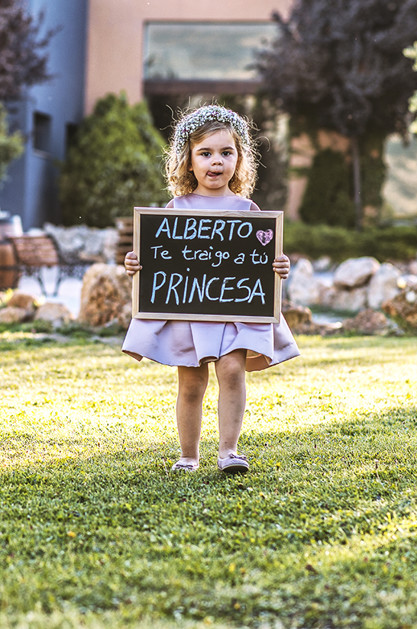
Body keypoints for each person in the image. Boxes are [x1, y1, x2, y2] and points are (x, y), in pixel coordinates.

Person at [122, 104, 299, 474]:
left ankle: (229, 451)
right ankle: (188, 455)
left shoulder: (249, 210)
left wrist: (278, 267)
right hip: (191, 311)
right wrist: (136, 264)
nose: (215, 162)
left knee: (232, 371)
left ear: (239, 159)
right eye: (205, 153)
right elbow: (159, 255)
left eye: (226, 152)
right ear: (188, 161)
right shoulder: (176, 208)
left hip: (235, 312)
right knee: (191, 382)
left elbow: (261, 259)